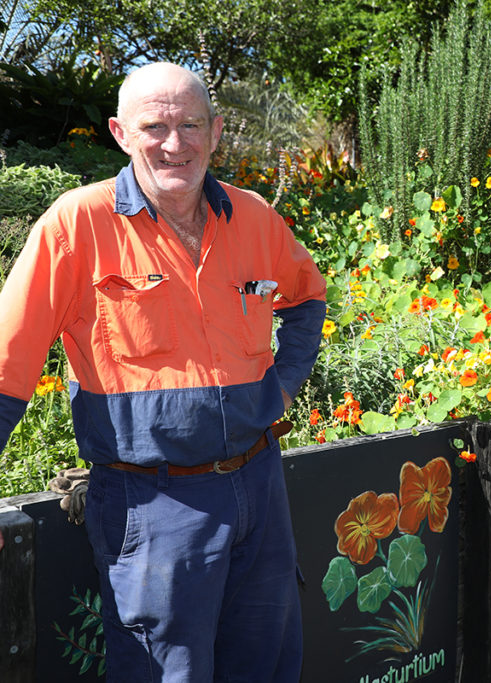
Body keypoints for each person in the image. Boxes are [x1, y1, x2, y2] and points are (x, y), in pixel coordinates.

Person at [0, 63, 327, 680]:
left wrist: (281, 386)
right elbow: (5, 366)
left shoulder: (253, 217)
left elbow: (308, 297)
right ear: (121, 133)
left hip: (260, 487)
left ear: (217, 131)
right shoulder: (76, 226)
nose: (175, 144)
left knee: (267, 665)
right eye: (155, 126)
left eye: (190, 125)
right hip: (152, 506)